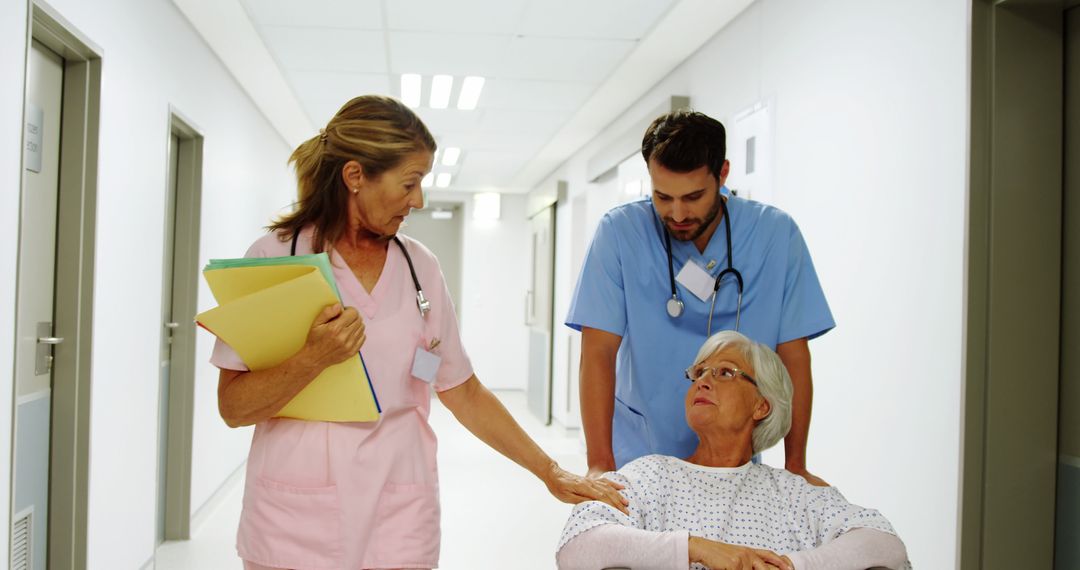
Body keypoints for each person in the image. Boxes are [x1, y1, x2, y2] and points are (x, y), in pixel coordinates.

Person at [211, 95, 627, 570]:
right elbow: (234, 407)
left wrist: (550, 472)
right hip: (295, 517)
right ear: (354, 177)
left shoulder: (419, 267)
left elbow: (462, 390)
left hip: (400, 510)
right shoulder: (277, 258)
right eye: (410, 182)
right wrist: (313, 356)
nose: (419, 200)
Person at [567, 109, 835, 484]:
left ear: (722, 175)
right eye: (662, 197)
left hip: (734, 458)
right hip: (638, 452)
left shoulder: (775, 236)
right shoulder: (620, 233)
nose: (677, 213)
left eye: (693, 196)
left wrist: (795, 465)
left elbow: (794, 357)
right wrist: (599, 462)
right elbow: (597, 353)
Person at [556, 331, 910, 570]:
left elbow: (886, 545)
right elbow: (578, 546)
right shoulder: (650, 475)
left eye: (725, 373)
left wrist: (792, 566)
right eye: (698, 373)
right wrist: (697, 548)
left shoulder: (791, 492)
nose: (703, 381)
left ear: (762, 406)